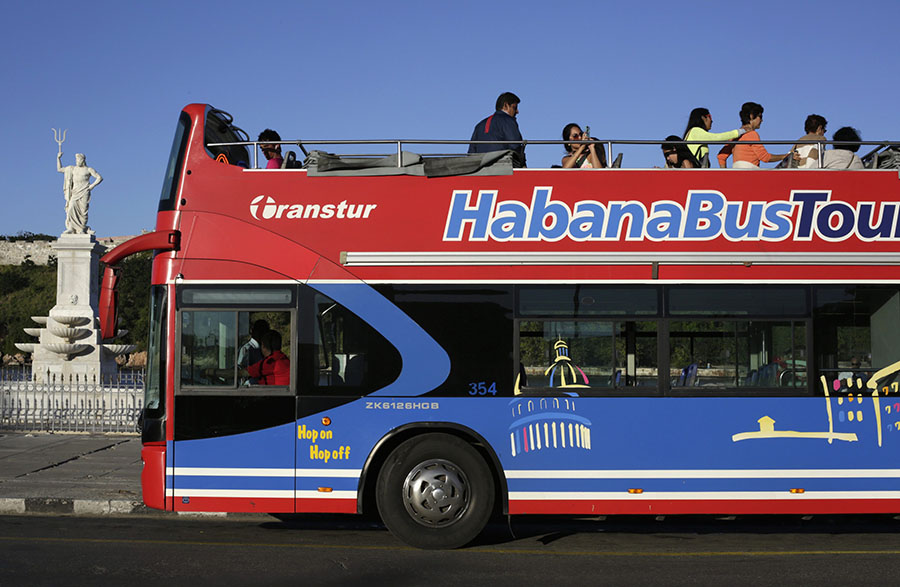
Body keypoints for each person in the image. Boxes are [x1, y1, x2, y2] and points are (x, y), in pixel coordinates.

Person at [717, 102, 790, 169]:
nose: (762, 120)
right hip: (750, 174)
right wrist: (785, 156)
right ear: (751, 116)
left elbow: (721, 157)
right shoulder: (752, 134)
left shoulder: (735, 136)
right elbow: (765, 157)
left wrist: (725, 175)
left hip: (736, 174)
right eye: (760, 116)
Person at [468, 92, 526, 166]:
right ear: (506, 105)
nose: (517, 111)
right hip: (503, 167)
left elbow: (471, 152)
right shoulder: (508, 120)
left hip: (480, 168)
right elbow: (515, 145)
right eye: (514, 107)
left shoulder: (479, 125)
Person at [682, 107, 748, 166]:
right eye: (709, 117)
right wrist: (740, 131)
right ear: (703, 118)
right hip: (695, 172)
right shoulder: (695, 131)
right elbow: (717, 137)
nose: (712, 121)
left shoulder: (693, 132)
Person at [57, 152, 103, 234]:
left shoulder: (88, 169)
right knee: (71, 208)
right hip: (75, 192)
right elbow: (59, 169)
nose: (77, 161)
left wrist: (92, 186)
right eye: (76, 160)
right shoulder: (72, 169)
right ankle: (71, 228)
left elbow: (99, 178)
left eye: (78, 160)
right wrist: (58, 158)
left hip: (84, 191)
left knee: (83, 211)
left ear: (83, 160)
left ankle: (81, 228)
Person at [238, 319, 269, 384]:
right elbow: (241, 372)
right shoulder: (247, 349)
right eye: (261, 330)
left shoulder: (264, 348)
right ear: (253, 331)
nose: (263, 334)